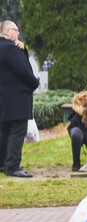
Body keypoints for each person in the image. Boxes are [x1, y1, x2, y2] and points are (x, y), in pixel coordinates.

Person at [0, 20, 39, 178]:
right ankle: (12, 166)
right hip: (16, 97)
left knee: (4, 131)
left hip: (4, 97)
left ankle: (3, 163)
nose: (18, 34)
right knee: (17, 131)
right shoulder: (9, 48)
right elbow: (23, 69)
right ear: (8, 31)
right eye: (16, 30)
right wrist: (34, 83)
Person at [67, 90, 87, 171]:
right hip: (79, 129)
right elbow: (84, 131)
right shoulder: (80, 111)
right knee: (76, 134)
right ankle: (76, 164)